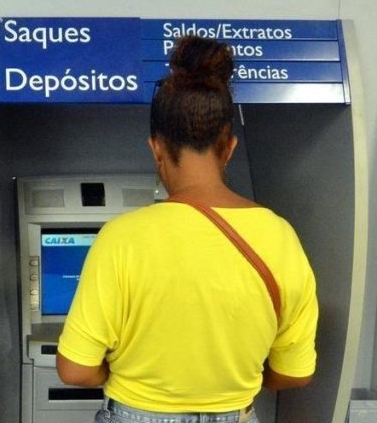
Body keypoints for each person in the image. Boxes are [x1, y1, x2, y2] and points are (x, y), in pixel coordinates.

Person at [56, 36, 319, 423]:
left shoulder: (122, 237)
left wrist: (124, 372)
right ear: (229, 148)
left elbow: (75, 370)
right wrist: (233, 380)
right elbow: (295, 374)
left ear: (156, 149)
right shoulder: (281, 236)